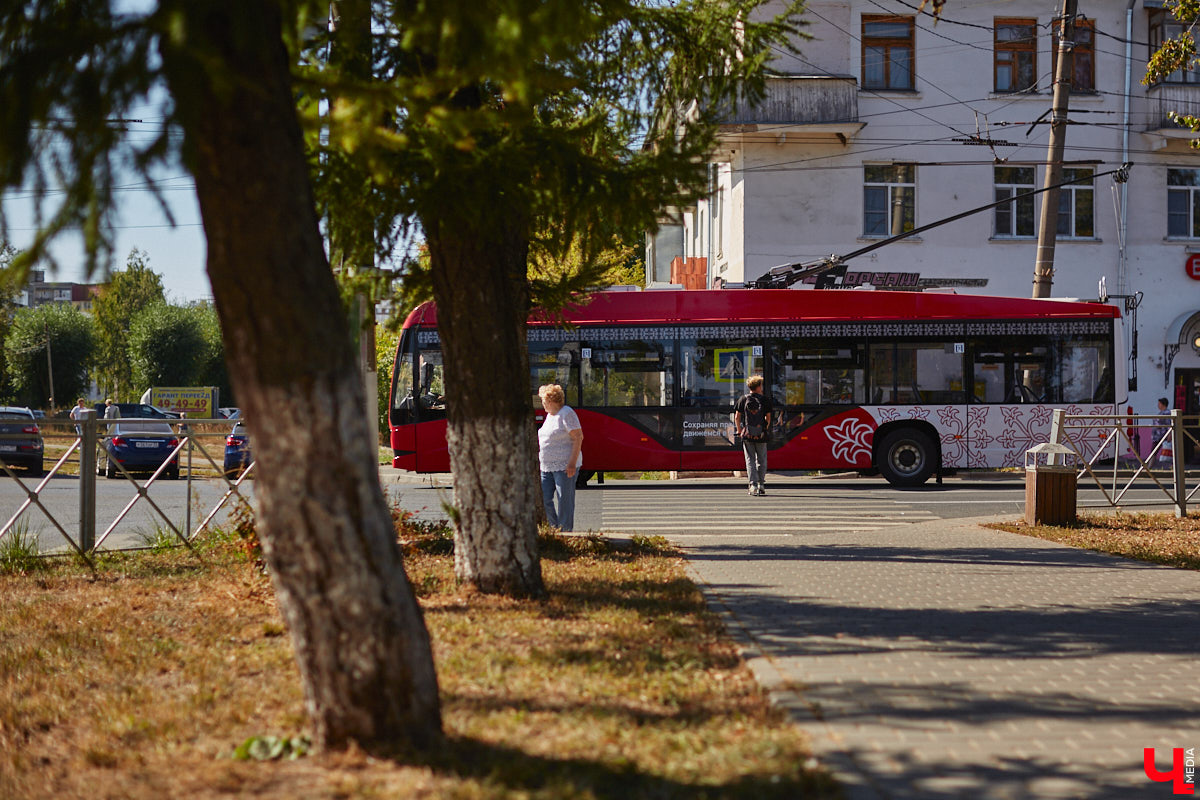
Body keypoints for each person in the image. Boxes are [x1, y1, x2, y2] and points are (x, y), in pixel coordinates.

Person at [537, 383, 584, 531]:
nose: (542, 404)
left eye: (543, 400)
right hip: (546, 467)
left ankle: (565, 532)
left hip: (564, 466)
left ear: (550, 401)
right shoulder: (550, 416)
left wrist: (571, 463)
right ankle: (554, 527)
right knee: (544, 499)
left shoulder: (566, 413)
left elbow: (578, 437)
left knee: (564, 501)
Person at [735, 375, 773, 496]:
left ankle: (753, 485)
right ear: (758, 387)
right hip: (760, 434)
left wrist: (740, 430)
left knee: (750, 459)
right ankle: (761, 484)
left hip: (747, 434)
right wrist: (764, 429)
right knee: (762, 459)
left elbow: (737, 417)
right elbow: (768, 417)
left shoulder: (743, 399)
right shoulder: (765, 400)